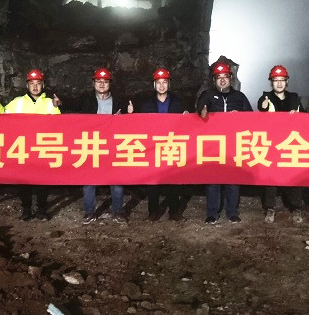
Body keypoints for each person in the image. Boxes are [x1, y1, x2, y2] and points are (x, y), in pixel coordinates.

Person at [0, 69, 61, 220]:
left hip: (42, 147)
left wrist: (56, 107)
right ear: (27, 85)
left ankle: (42, 210)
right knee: (23, 181)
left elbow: (58, 124)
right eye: (32, 83)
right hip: (23, 147)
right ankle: (26, 209)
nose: (35, 87)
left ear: (43, 85)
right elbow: (4, 116)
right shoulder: (18, 102)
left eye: (38, 83)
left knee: (42, 181)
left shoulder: (49, 103)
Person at [71, 68, 131, 223]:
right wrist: (59, 103)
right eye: (99, 81)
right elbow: (70, 111)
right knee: (89, 180)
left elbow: (130, 123)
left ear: (110, 83)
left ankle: (118, 211)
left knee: (116, 180)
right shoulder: (86, 100)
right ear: (94, 83)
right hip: (92, 143)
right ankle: (89, 212)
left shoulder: (119, 101)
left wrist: (128, 115)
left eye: (105, 81)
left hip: (112, 145)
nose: (102, 84)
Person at [197, 61, 252, 224]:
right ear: (214, 80)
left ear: (230, 79)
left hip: (234, 145)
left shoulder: (239, 97)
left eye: (225, 77)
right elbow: (200, 109)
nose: (222, 80)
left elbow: (251, 117)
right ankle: (212, 213)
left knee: (232, 179)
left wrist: (240, 115)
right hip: (213, 145)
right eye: (219, 77)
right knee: (212, 180)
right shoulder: (207, 95)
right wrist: (202, 112)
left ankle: (232, 212)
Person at [257, 65, 304, 223]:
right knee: (271, 178)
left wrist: (302, 113)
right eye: (275, 80)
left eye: (282, 80)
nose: (279, 83)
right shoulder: (266, 97)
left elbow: (306, 117)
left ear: (287, 82)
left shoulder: (294, 98)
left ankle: (296, 207)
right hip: (272, 143)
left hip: (291, 143)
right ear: (271, 82)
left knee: (294, 175)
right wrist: (263, 106)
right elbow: (261, 106)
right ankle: (270, 208)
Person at [138, 68, 187, 221]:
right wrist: (131, 114)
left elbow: (186, 123)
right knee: (153, 181)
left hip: (172, 145)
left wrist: (188, 117)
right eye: (158, 83)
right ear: (154, 84)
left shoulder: (177, 103)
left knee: (174, 179)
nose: (161, 86)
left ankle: (174, 211)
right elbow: (139, 125)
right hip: (153, 147)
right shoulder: (146, 104)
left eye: (164, 82)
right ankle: (153, 212)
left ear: (169, 84)